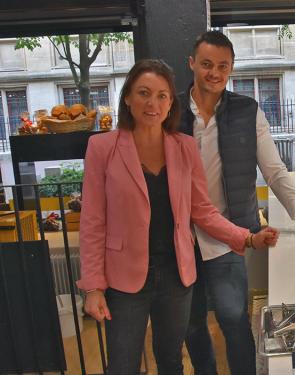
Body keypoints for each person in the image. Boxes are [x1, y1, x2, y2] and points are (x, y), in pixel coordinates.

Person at [78, 59, 279, 375]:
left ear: (171, 102)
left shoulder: (184, 147)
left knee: (171, 360)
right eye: (143, 93)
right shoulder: (102, 148)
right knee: (121, 365)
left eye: (162, 96)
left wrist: (247, 237)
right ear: (128, 97)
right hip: (123, 278)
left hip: (176, 275)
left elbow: (202, 210)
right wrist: (93, 287)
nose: (152, 103)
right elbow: (92, 221)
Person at [180, 31, 295, 375]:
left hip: (229, 235)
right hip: (183, 237)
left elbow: (275, 171)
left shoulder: (247, 111)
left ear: (231, 69)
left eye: (222, 66)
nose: (214, 73)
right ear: (192, 64)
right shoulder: (171, 112)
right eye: (206, 64)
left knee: (234, 319)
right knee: (191, 325)